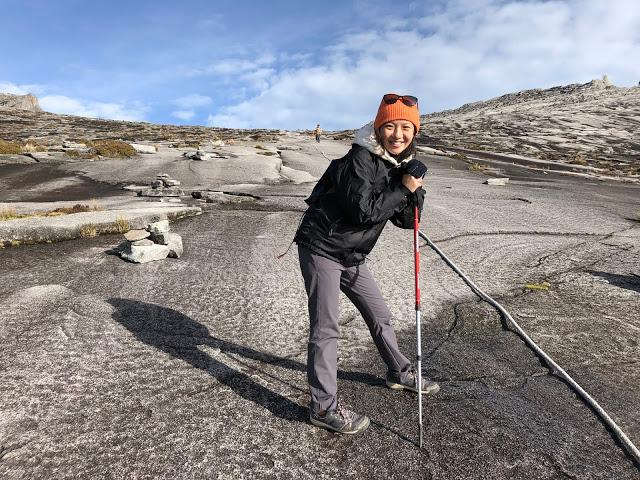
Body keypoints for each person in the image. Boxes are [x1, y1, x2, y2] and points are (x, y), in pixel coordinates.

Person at [294, 93, 439, 435]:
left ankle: (398, 371)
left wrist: (415, 191)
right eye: (390, 126)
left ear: (414, 131)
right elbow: (364, 213)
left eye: (406, 127)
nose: (398, 134)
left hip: (352, 255)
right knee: (326, 328)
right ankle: (322, 407)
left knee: (379, 313)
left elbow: (406, 221)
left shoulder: (397, 164)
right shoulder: (359, 159)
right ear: (378, 127)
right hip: (322, 248)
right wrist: (403, 187)